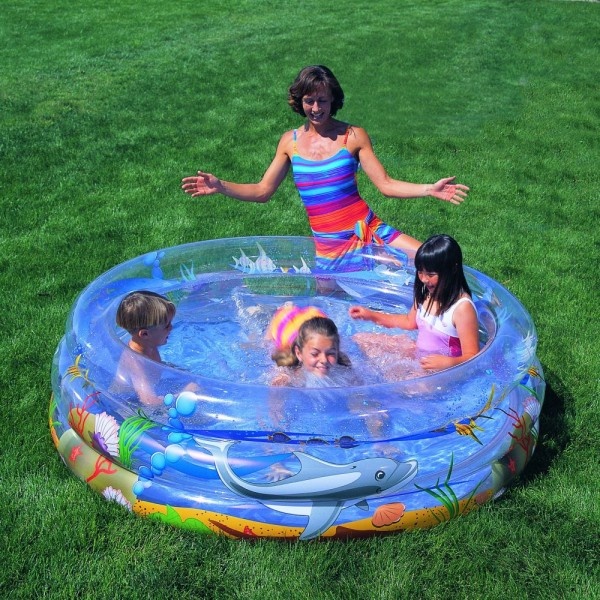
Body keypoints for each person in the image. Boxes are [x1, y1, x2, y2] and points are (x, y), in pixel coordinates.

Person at [181, 65, 469, 271]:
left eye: (322, 100)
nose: (316, 108)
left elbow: (386, 184)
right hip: (328, 249)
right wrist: (221, 186)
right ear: (300, 102)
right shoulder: (289, 142)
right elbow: (262, 190)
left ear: (333, 100)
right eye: (309, 101)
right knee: (333, 317)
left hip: (366, 231)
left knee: (436, 264)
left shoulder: (352, 136)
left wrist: (429, 189)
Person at [349, 234, 479, 371]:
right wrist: (370, 315)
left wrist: (448, 363)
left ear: (452, 269)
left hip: (439, 369)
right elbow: (408, 322)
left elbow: (473, 356)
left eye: (431, 274)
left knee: (398, 382)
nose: (424, 279)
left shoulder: (462, 308)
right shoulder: (426, 292)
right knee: (361, 339)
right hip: (420, 353)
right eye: (420, 272)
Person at [114, 291, 197, 406]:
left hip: (148, 389)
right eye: (167, 326)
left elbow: (155, 367)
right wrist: (183, 393)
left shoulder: (148, 345)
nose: (171, 328)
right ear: (145, 334)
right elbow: (149, 402)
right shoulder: (135, 362)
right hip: (128, 402)